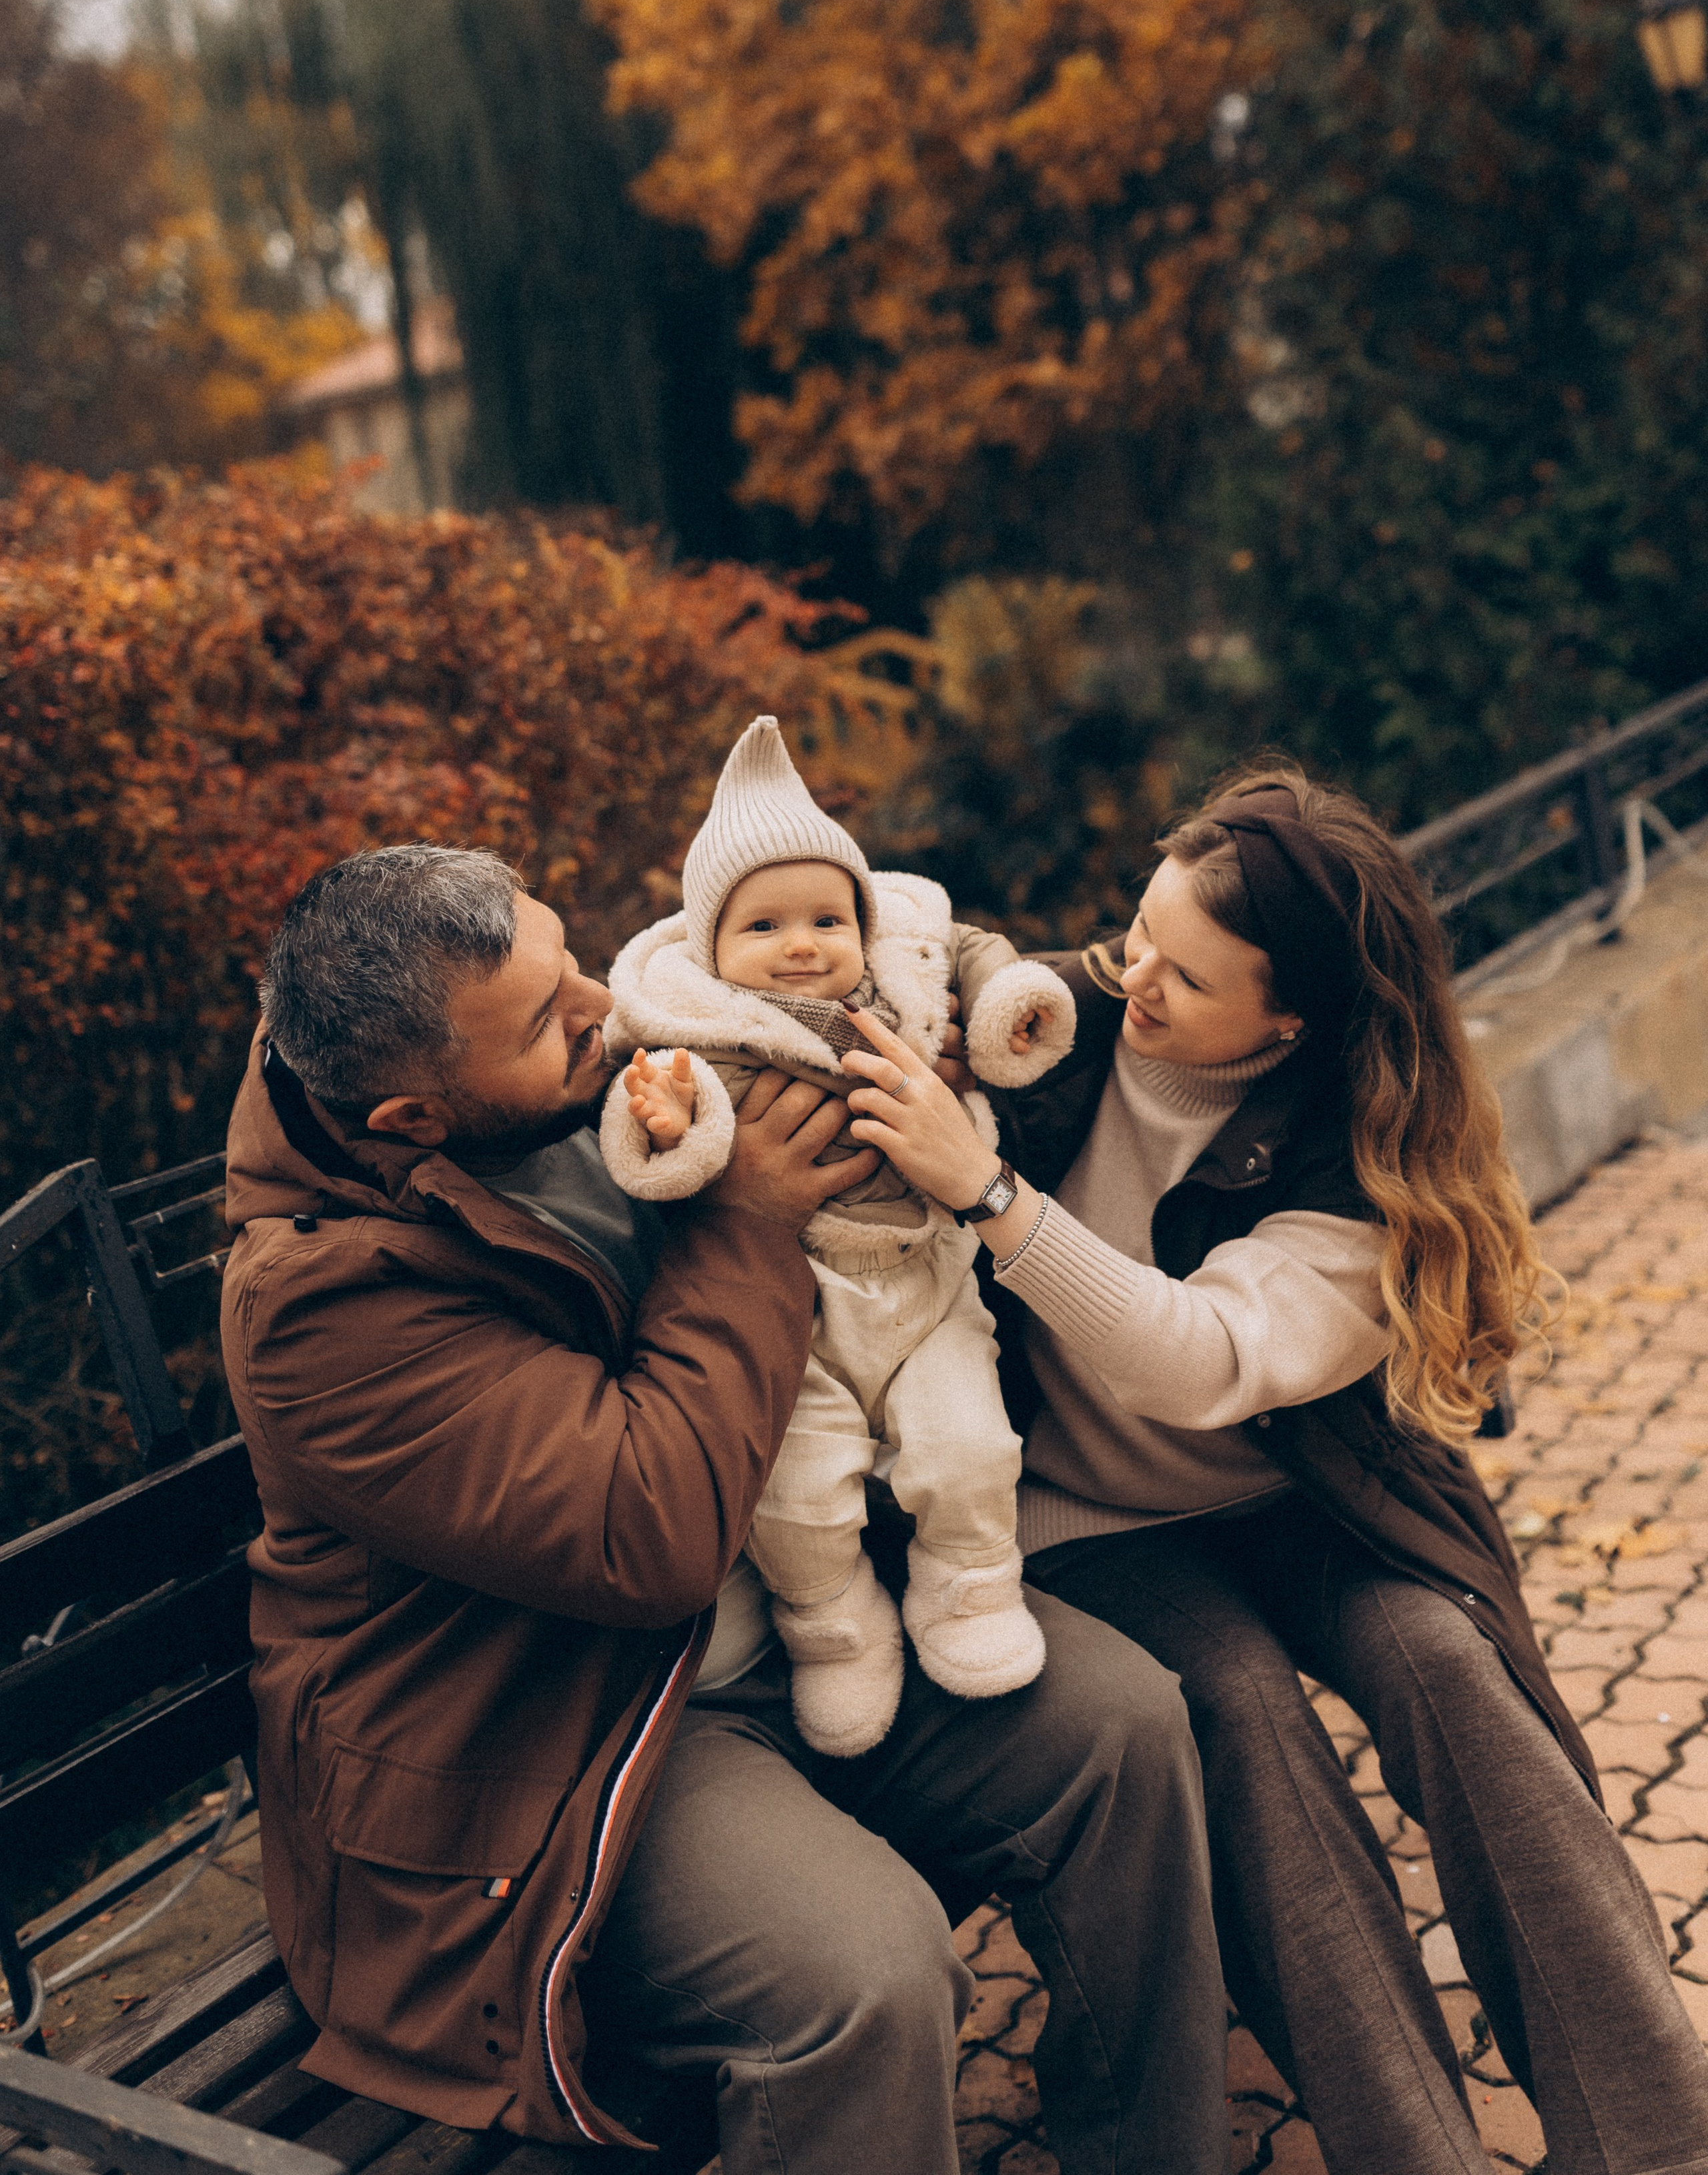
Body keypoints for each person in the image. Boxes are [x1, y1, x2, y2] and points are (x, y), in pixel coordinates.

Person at [222, 839, 1232, 2175]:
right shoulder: (319, 1309)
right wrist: (744, 1220)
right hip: (560, 1751)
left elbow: (847, 960)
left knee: (1122, 1729)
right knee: (865, 1973)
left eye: (566, 956)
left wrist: (929, 1051)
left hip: (783, 1625)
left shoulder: (561, 1082)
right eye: (542, 1018)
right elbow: (648, 1535)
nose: (597, 1002)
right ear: (413, 1116)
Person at [837, 762, 1708, 2175]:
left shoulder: (1361, 1152)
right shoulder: (1046, 1029)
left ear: (1287, 1021)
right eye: (1135, 933)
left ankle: (1646, 2133)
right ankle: (1409, 2148)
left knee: (1446, 1663)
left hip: (1304, 1491)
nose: (1135, 982)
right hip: (1086, 1519)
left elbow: (1191, 1357)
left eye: (1183, 973)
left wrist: (989, 1196)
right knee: (1239, 1710)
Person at [601, 714, 1074, 1754]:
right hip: (797, 1305)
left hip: (923, 1277)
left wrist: (1007, 1007)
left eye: (827, 917)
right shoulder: (692, 1027)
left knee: (968, 1443)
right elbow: (652, 1129)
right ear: (709, 945)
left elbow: (979, 954)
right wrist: (674, 1126)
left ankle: (971, 1590)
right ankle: (833, 1627)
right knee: (798, 1492)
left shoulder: (907, 967)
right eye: (763, 928)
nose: (803, 943)